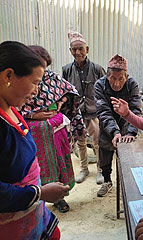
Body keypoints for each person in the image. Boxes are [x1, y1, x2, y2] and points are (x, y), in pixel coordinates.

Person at [0, 41, 70, 239]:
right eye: (35, 82)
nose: (37, 91)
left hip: (32, 218)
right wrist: (38, 193)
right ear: (8, 76)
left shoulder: (12, 109)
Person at [21, 45, 86, 213]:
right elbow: (15, 109)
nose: (42, 72)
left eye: (44, 67)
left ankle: (58, 198)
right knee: (35, 167)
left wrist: (60, 105)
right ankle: (36, 198)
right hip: (33, 133)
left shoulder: (51, 77)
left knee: (58, 161)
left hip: (54, 130)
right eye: (38, 66)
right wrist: (33, 116)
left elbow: (69, 91)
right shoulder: (20, 84)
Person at [94, 54, 141, 197]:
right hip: (107, 128)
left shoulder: (132, 84)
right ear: (107, 76)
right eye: (113, 78)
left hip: (127, 125)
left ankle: (127, 186)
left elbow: (136, 109)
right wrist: (114, 132)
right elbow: (103, 111)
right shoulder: (99, 85)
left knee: (127, 158)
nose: (116, 83)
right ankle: (107, 181)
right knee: (105, 157)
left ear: (126, 77)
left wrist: (131, 133)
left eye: (121, 79)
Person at [62, 31, 106, 184]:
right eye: (74, 49)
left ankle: (100, 170)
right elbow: (65, 92)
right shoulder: (66, 69)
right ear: (70, 51)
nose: (77, 52)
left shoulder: (97, 69)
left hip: (94, 113)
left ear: (87, 49)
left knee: (97, 142)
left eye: (81, 48)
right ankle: (84, 169)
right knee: (80, 142)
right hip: (76, 113)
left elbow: (105, 91)